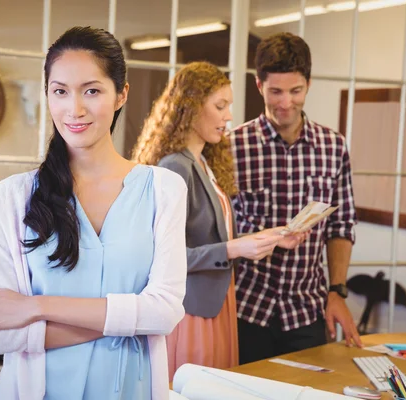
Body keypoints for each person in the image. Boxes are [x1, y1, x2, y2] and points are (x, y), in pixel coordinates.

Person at [0, 26, 187, 400]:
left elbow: (165, 313)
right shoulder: (13, 196)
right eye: (60, 92)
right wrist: (128, 322)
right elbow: (0, 333)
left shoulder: (164, 189)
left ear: (121, 95)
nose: (75, 109)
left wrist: (35, 307)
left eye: (92, 90)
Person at [132, 61, 308, 380]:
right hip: (191, 311)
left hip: (216, 305)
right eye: (220, 106)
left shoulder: (201, 161)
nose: (229, 116)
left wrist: (272, 237)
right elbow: (163, 257)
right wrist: (234, 249)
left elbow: (214, 238)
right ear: (191, 107)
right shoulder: (176, 167)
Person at [228, 32, 362, 365]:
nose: (285, 102)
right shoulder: (231, 147)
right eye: (275, 91)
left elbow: (341, 225)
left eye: (295, 91)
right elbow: (216, 232)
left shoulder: (333, 147)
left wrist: (338, 291)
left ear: (308, 84)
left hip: (306, 312)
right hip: (245, 310)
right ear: (259, 86)